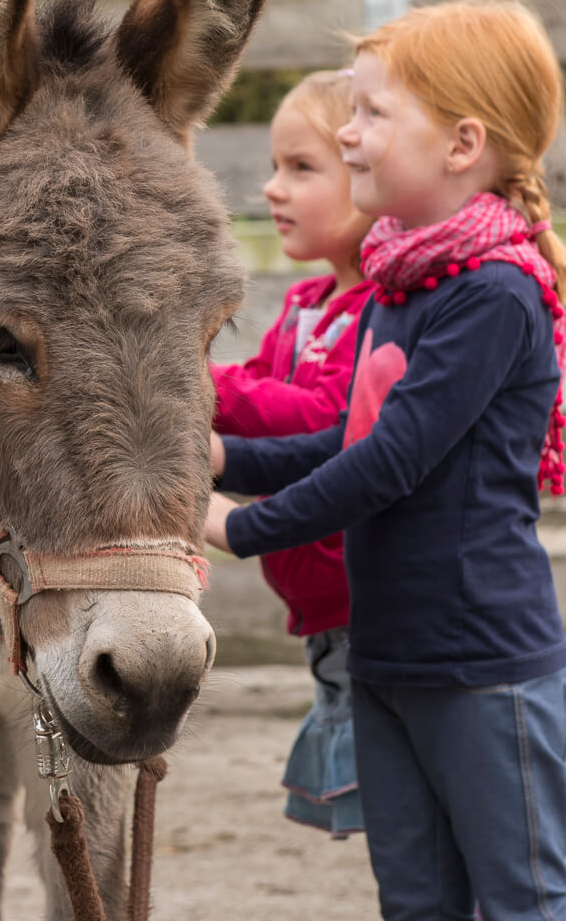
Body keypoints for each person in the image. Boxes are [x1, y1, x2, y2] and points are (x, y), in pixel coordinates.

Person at [206, 0, 566, 921]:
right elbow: (346, 441)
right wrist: (217, 458)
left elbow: (388, 466)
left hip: (481, 664)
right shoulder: (401, 284)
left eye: (371, 113)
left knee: (525, 899)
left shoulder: (491, 294)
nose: (348, 133)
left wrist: (240, 529)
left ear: (460, 145)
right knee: (414, 902)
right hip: (388, 654)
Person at [210, 69, 371, 837]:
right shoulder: (307, 305)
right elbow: (254, 386)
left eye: (302, 168)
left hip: (361, 606)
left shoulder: (379, 311)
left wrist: (198, 385)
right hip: (316, 613)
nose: (272, 188)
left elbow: (322, 418)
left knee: (392, 805)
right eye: (275, 166)